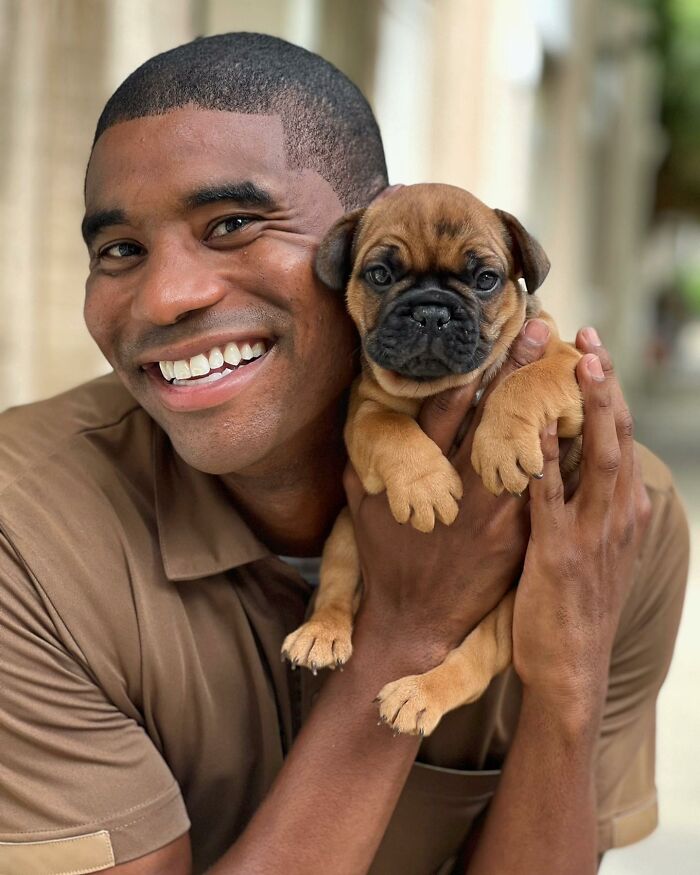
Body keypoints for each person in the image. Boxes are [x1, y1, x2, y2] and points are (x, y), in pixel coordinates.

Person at [0, 32, 689, 875]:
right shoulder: (25, 539)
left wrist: (565, 685)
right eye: (118, 250)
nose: (170, 294)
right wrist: (405, 633)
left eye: (233, 224)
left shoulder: (608, 520)